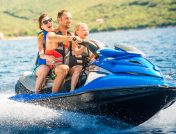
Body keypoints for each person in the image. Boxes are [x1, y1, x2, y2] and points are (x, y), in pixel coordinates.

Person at [35, 14, 56, 94]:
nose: (48, 22)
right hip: (42, 66)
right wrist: (48, 57)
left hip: (55, 64)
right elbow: (41, 54)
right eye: (45, 22)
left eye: (50, 20)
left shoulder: (58, 33)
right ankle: (36, 93)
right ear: (42, 26)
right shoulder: (41, 36)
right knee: (45, 69)